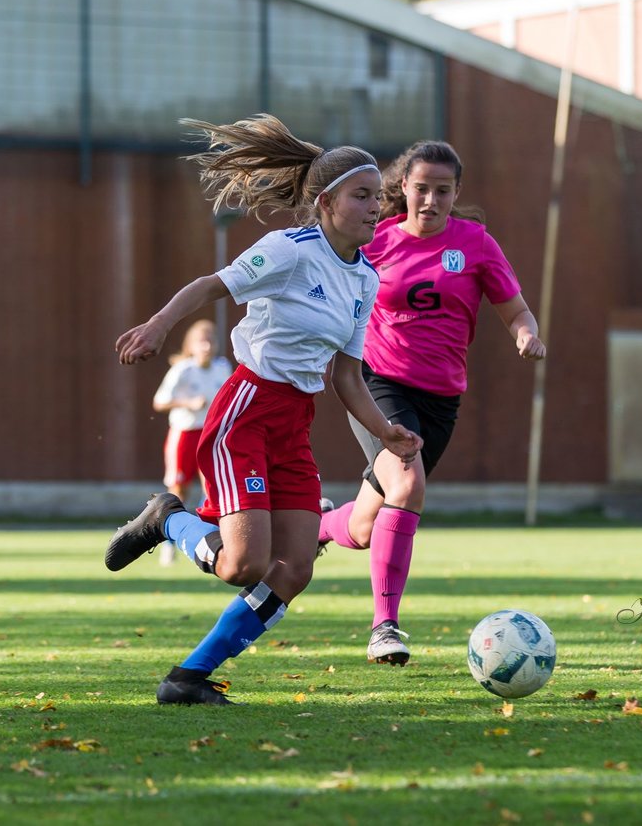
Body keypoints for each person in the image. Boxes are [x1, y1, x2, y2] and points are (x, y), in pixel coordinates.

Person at [103, 114, 423, 706]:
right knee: (243, 566)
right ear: (326, 202)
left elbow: (347, 376)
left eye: (379, 197)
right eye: (362, 195)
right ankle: (166, 519)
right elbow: (210, 285)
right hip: (245, 411)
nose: (376, 207)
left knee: (296, 568)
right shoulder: (289, 250)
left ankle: (188, 677)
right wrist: (157, 325)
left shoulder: (366, 280)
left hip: (295, 423)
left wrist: (387, 434)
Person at [316, 140, 546, 666]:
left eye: (443, 191)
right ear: (404, 188)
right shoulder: (375, 243)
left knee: (363, 526)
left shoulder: (476, 244)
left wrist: (525, 335)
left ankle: (316, 528)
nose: (431, 200)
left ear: (456, 193)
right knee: (408, 482)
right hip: (380, 382)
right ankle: (385, 626)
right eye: (422, 188)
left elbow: (516, 311)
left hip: (442, 398)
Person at [151, 319, 232, 565]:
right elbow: (159, 401)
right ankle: (168, 543)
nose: (207, 345)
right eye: (201, 340)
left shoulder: (222, 367)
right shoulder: (183, 369)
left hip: (210, 435)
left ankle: (205, 539)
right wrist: (188, 403)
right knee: (179, 489)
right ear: (191, 345)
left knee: (212, 489)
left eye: (211, 340)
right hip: (185, 434)